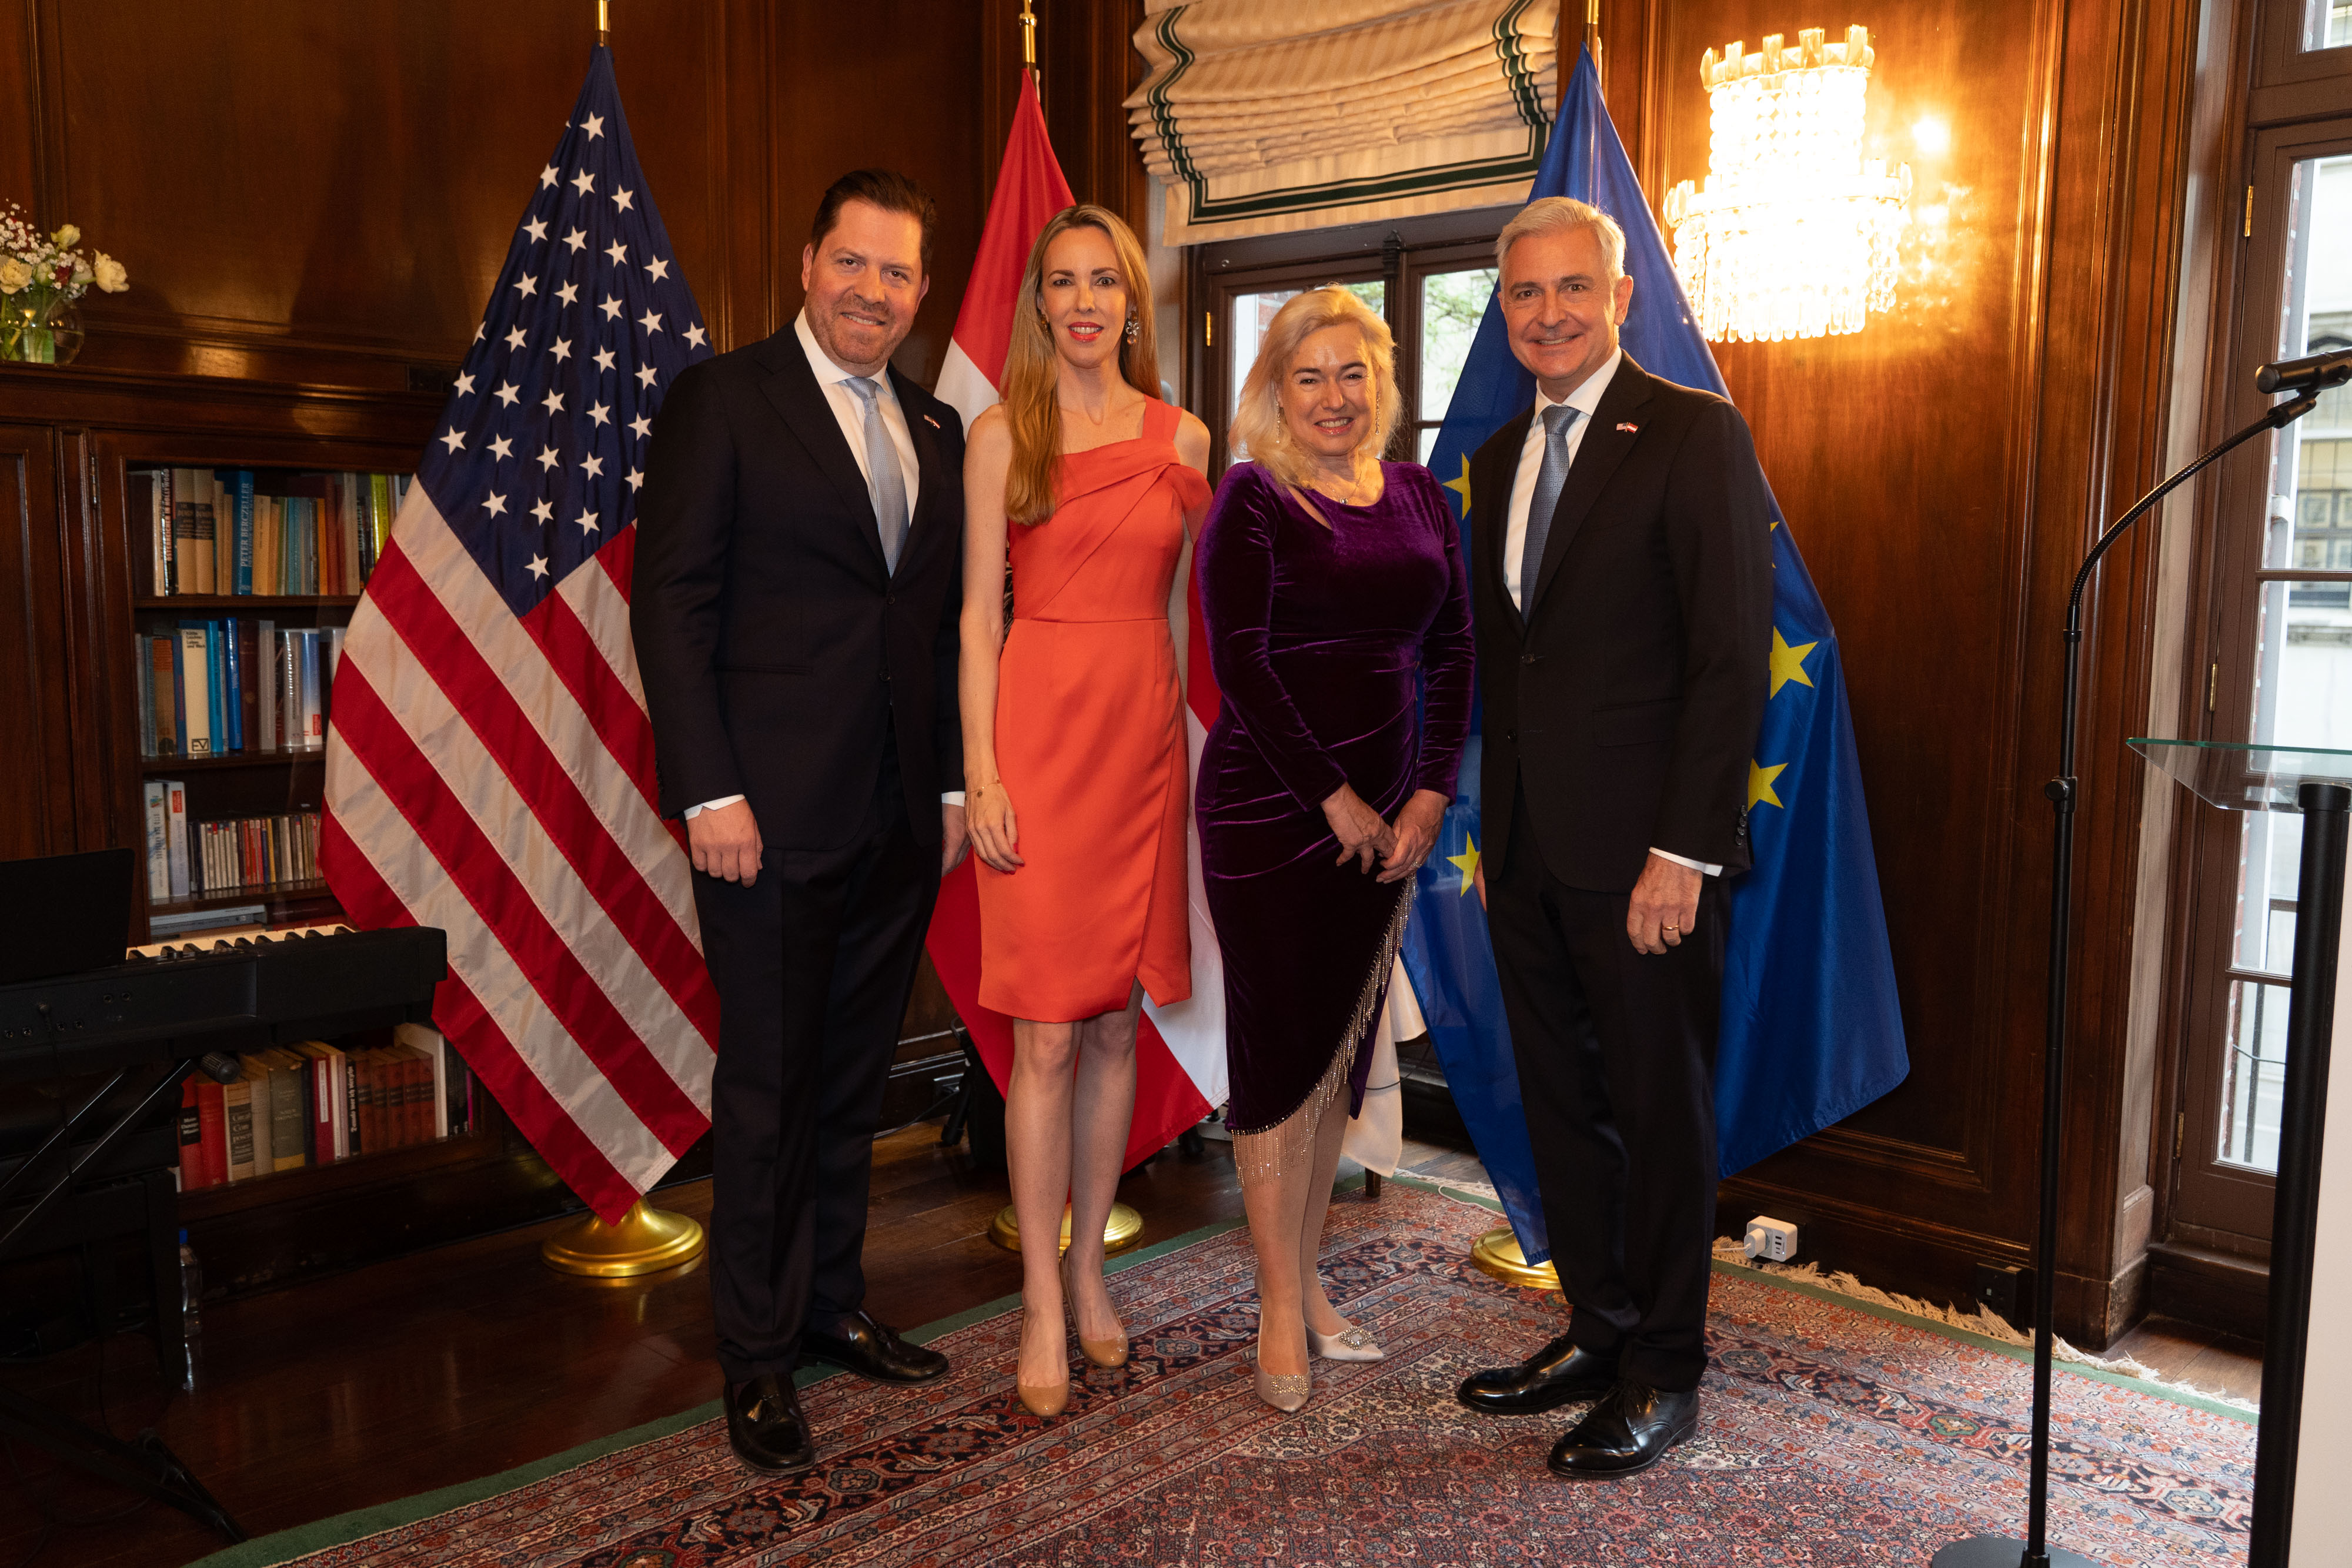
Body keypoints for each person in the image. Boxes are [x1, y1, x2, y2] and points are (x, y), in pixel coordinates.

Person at [632, 169, 970, 1476]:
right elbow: (672, 603)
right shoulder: (722, 399)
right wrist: (706, 788)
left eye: (897, 273)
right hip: (762, 820)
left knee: (850, 1079)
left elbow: (933, 630)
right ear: (809, 263)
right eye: (853, 263)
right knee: (769, 1087)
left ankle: (832, 1302)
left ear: (921, 293)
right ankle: (758, 1354)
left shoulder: (935, 426)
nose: (872, 291)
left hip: (894, 817)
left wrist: (950, 788)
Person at [1452, 196, 1772, 1477]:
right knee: (1563, 1105)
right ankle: (1596, 1329)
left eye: (1572, 288)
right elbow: (1511, 666)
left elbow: (1726, 657)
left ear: (1621, 296)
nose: (1549, 314)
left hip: (1647, 860)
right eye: (1525, 293)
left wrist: (1681, 853)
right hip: (1527, 852)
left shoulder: (1692, 433)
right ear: (1503, 308)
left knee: (1656, 1112)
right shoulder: (1493, 459)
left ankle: (1664, 1368)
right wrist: (1496, 839)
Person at [1195, 286, 1474, 1413]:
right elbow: (1240, 662)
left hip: (1392, 828)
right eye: (1307, 376)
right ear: (1275, 391)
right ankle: (1275, 1306)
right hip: (1272, 816)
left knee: (1335, 1066)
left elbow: (1455, 651)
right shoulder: (1252, 497)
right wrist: (1334, 798)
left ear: (1381, 383)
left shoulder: (1419, 495)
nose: (1333, 396)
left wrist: (1429, 792)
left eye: (1352, 373)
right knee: (1282, 1063)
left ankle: (1305, 1282)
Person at [961, 205, 1211, 1419]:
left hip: (1141, 748)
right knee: (1046, 1038)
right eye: (1061, 282)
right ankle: (1038, 1303)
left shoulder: (1183, 437)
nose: (1082, 303)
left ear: (1130, 300)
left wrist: (1185, 761)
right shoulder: (1000, 433)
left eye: (1103, 280)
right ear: (1038, 304)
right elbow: (976, 617)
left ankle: (1090, 1271)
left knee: (1114, 1026)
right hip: (1035, 740)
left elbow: (1181, 617)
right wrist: (982, 774)